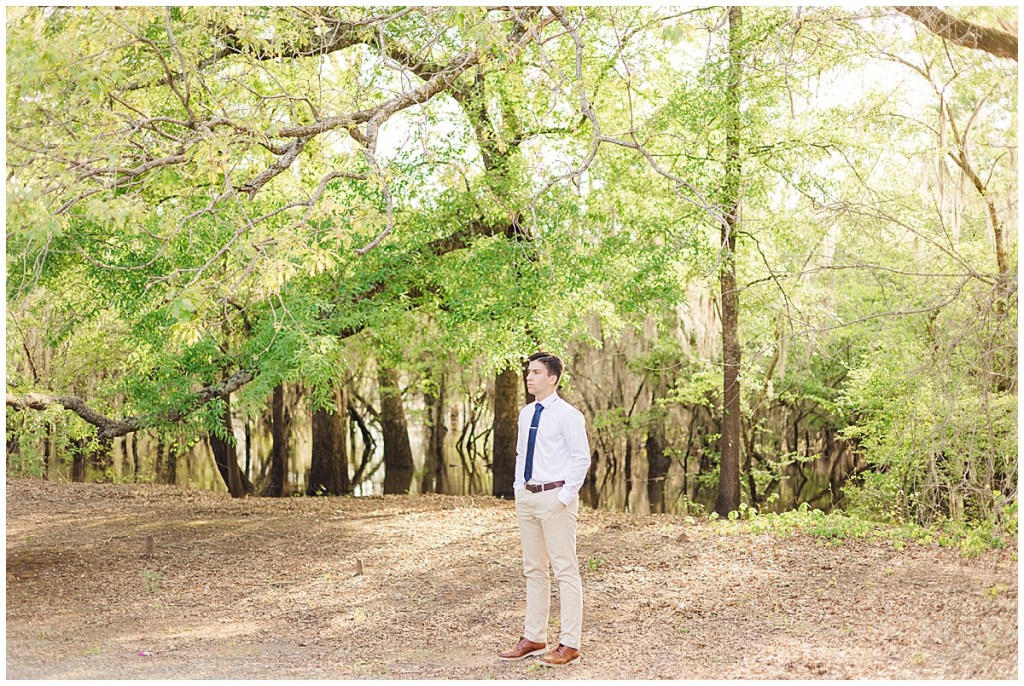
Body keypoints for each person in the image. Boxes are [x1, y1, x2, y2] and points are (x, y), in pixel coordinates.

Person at [497, 352, 591, 667]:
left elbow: (581, 459)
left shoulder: (568, 414)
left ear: (552, 378)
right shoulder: (525, 414)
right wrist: (518, 490)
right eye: (528, 371)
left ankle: (570, 644)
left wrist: (564, 497)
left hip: (556, 499)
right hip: (528, 498)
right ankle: (534, 637)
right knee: (534, 569)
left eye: (536, 372)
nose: (529, 376)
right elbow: (522, 454)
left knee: (565, 570)